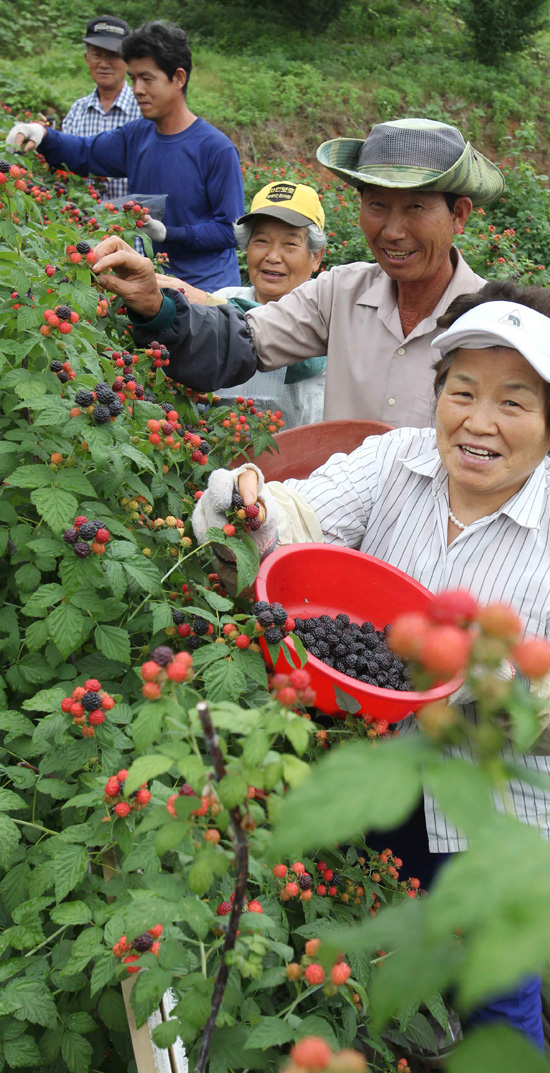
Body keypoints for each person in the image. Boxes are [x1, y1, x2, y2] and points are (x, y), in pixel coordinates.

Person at [192, 278, 550, 1048]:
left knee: (495, 992)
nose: (478, 422)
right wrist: (252, 503)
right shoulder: (398, 459)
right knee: (368, 954)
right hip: (366, 768)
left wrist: (510, 696)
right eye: (462, 391)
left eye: (515, 403)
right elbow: (300, 519)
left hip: (489, 809)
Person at [81, 118, 505, 425]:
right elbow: (241, 340)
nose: (393, 231)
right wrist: (155, 304)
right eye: (376, 205)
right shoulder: (340, 292)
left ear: (459, 215)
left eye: (415, 207)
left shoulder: (493, 324)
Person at [6, 21, 244, 290]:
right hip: (155, 290)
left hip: (208, 293)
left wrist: (168, 234)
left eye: (147, 78)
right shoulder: (137, 136)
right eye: (133, 79)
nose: (137, 89)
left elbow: (230, 230)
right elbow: (85, 152)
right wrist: (42, 135)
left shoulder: (215, 149)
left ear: (178, 78)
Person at [183, 180, 328, 428]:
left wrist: (213, 308)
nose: (272, 257)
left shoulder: (325, 310)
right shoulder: (227, 294)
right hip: (226, 459)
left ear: (316, 257)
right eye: (261, 241)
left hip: (302, 459)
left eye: (290, 244)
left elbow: (302, 362)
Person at [61, 15, 142, 202]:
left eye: (113, 55)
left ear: (128, 61)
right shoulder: (77, 111)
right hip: (82, 223)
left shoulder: (144, 110)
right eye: (97, 55)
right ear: (87, 58)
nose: (104, 64)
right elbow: (64, 170)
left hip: (133, 225)